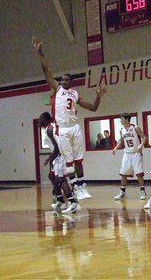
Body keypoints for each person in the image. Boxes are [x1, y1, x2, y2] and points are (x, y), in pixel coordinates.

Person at [32, 36, 108, 200]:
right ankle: (75, 188)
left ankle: (82, 186)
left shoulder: (74, 94)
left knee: (79, 160)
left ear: (71, 82)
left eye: (67, 79)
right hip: (63, 129)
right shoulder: (57, 89)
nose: (63, 81)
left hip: (75, 128)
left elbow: (93, 108)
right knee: (69, 161)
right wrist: (40, 53)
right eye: (62, 79)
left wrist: (98, 97)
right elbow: (47, 70)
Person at [38, 112, 80, 214]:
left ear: (45, 119)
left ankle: (73, 202)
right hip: (59, 155)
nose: (39, 120)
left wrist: (51, 159)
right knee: (55, 178)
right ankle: (61, 201)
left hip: (60, 155)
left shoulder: (49, 129)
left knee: (60, 180)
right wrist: (50, 158)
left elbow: (57, 147)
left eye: (41, 118)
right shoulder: (51, 127)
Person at [112, 113, 147, 200]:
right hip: (127, 154)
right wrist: (116, 147)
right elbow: (121, 140)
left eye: (122, 119)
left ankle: (142, 191)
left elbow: (144, 137)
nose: (120, 120)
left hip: (136, 153)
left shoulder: (135, 127)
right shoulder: (122, 130)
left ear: (127, 119)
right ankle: (122, 192)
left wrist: (141, 145)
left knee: (139, 174)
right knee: (123, 173)